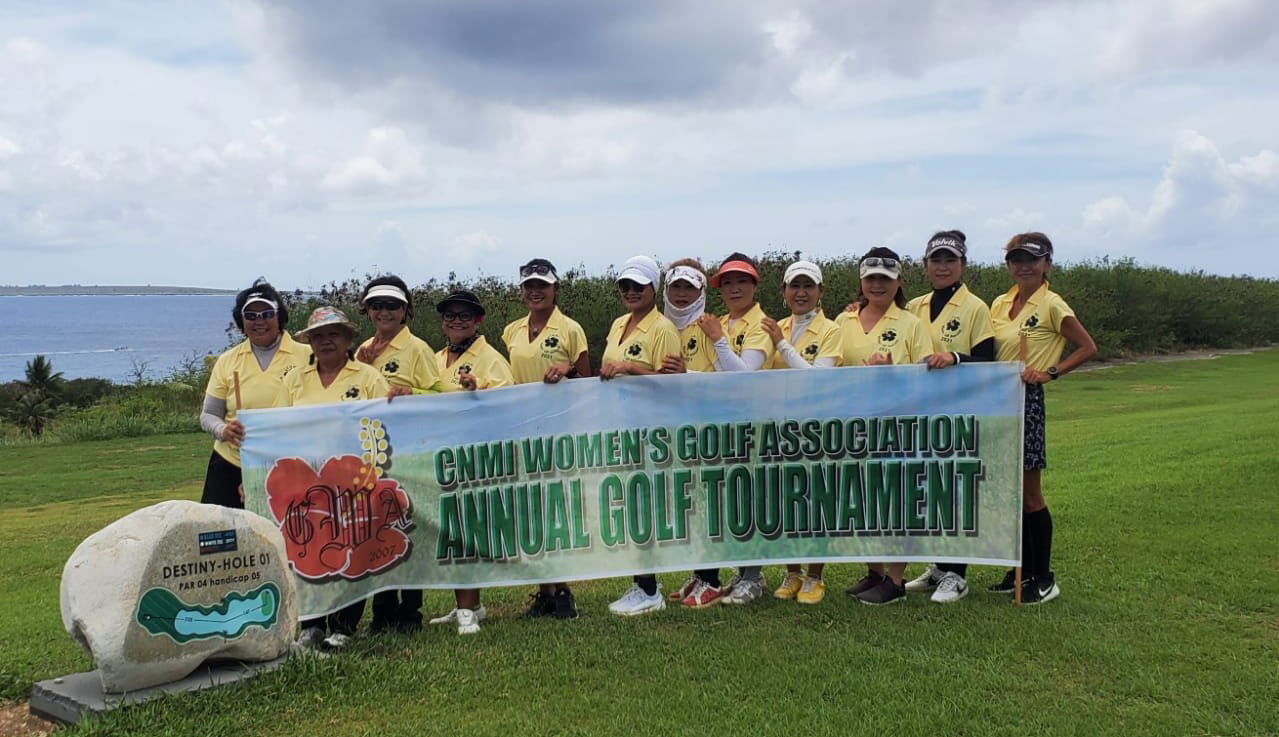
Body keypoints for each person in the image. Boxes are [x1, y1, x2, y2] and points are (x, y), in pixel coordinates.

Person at [989, 232, 1096, 605]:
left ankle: (1044, 577)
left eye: (1031, 259)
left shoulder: (1052, 304)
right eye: (1016, 259)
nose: (1023, 265)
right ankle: (1020, 569)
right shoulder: (1001, 302)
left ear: (1046, 263)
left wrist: (1051, 372)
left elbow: (1087, 347)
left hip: (1027, 399)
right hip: (998, 400)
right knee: (1009, 493)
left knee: (1030, 493)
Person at [277, 306, 391, 650]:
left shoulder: (368, 377)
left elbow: (384, 425)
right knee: (308, 549)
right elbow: (277, 427)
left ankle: (343, 626)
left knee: (352, 550)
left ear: (347, 339)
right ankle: (311, 625)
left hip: (353, 480)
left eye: (333, 334)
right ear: (309, 342)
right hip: (305, 481)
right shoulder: (295, 379)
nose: (326, 341)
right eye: (318, 336)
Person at [900, 231, 997, 604]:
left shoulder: (975, 307)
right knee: (931, 489)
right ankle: (939, 567)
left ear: (962, 265)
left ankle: (957, 574)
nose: (942, 267)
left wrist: (955, 358)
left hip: (959, 412)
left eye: (949, 261)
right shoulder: (915, 306)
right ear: (925, 265)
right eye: (935, 260)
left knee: (957, 489)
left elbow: (989, 362)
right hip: (922, 412)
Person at [835, 247, 932, 605]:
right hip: (853, 425)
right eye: (871, 278)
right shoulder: (843, 320)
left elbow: (925, 378)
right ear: (861, 281)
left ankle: (896, 579)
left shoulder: (911, 324)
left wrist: (894, 374)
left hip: (897, 424)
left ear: (898, 283)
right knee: (862, 500)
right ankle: (874, 570)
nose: (878, 285)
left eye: (885, 279)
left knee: (894, 500)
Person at [501, 259, 591, 621]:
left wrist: (568, 371)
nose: (535, 291)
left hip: (560, 429)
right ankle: (545, 591)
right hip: (523, 429)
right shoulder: (510, 330)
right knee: (533, 511)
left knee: (559, 509)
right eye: (528, 286)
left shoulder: (570, 329)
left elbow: (587, 379)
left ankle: (564, 590)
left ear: (556, 289)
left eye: (542, 285)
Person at [353, 275, 442, 634]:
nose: (384, 312)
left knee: (408, 531)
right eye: (377, 305)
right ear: (367, 310)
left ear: (405, 310)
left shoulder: (417, 349)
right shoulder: (361, 350)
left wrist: (413, 392)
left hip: (407, 451)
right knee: (377, 531)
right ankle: (383, 611)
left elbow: (441, 396)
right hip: (370, 453)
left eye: (392, 305)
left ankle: (410, 613)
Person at [426, 289, 515, 634]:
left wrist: (480, 387)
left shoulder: (490, 357)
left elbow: (509, 397)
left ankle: (467, 609)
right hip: (443, 453)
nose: (456, 321)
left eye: (464, 315)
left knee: (468, 530)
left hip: (475, 455)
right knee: (451, 529)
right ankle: (470, 604)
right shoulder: (436, 357)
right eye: (450, 315)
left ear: (478, 321)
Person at [600, 255, 683, 616]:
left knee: (643, 508)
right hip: (622, 426)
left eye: (639, 286)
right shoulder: (619, 323)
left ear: (654, 288)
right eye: (625, 286)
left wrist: (630, 368)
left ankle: (650, 589)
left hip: (651, 429)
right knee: (630, 507)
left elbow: (671, 385)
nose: (631, 292)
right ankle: (640, 583)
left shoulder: (663, 328)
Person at [758, 260, 842, 605]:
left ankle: (815, 577)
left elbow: (815, 380)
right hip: (780, 429)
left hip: (817, 428)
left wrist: (781, 344)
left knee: (816, 502)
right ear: (784, 292)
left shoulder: (831, 330)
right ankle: (792, 573)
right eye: (795, 286)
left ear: (820, 292)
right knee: (786, 502)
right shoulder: (776, 326)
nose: (801, 293)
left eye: (808, 286)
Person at [701, 252, 778, 606]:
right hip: (725, 423)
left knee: (751, 499)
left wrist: (717, 339)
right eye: (727, 283)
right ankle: (744, 570)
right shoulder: (724, 323)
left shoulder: (759, 324)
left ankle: (753, 576)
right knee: (733, 499)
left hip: (754, 422)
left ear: (754, 285)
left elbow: (745, 377)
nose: (734, 288)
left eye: (741, 281)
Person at [200, 280, 304, 509]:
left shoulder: (308, 356)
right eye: (251, 316)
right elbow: (208, 415)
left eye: (267, 313)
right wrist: (223, 430)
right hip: (231, 463)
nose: (259, 321)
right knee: (222, 537)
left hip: (290, 463)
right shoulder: (228, 361)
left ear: (279, 317)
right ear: (241, 322)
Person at [659, 259, 718, 374]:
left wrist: (686, 373)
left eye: (690, 287)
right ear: (666, 290)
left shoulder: (709, 328)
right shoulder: (655, 327)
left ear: (701, 292)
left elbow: (728, 379)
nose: (681, 293)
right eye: (676, 286)